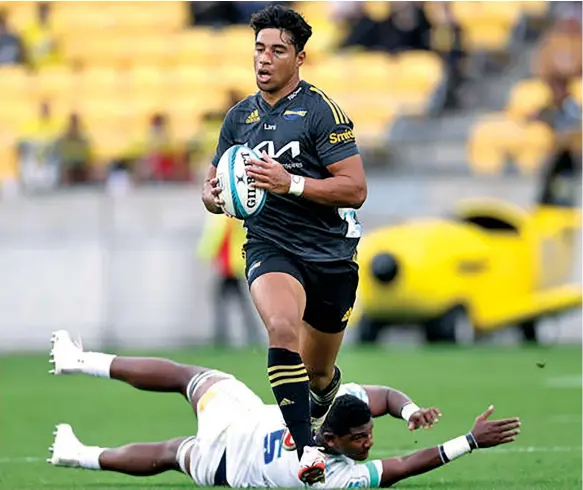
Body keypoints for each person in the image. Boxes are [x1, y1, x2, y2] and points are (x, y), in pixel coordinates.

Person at [201, 5, 367, 482]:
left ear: (300, 58)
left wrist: (290, 183)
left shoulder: (322, 113)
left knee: (318, 377)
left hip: (330, 255)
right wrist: (213, 197)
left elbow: (355, 189)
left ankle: (320, 400)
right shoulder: (239, 117)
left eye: (277, 50)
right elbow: (215, 186)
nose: (265, 59)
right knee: (279, 327)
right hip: (271, 245)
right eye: (259, 49)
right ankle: (307, 451)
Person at [47, 330, 521, 488]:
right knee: (184, 389)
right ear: (330, 440)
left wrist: (406, 409)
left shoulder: (331, 420)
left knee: (174, 441)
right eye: (361, 438)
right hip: (231, 448)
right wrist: (470, 441)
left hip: (236, 441)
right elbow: (403, 465)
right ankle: (77, 370)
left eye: (368, 433)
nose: (370, 440)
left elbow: (381, 401)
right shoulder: (336, 476)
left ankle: (78, 444)